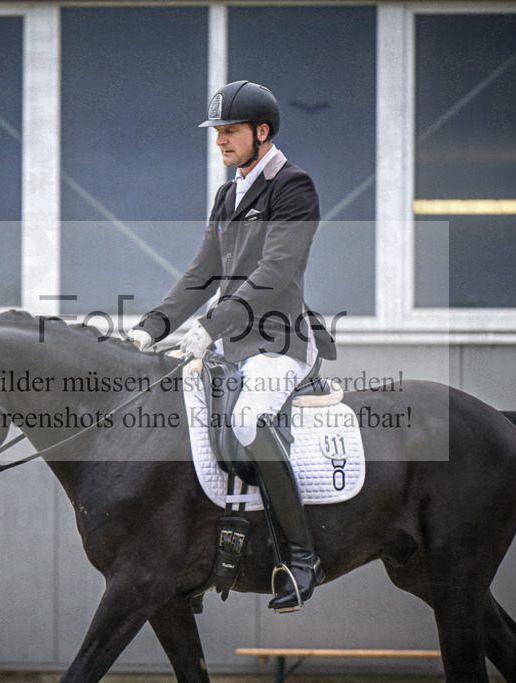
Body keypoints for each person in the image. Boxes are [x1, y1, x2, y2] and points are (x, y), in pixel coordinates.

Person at [128, 80, 333, 612]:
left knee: (247, 421)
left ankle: (300, 558)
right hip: (230, 345)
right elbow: (202, 273)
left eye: (230, 131)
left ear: (261, 133)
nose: (220, 140)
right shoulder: (228, 194)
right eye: (216, 131)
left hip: (279, 342)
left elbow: (273, 273)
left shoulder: (294, 186)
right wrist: (150, 327)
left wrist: (210, 327)